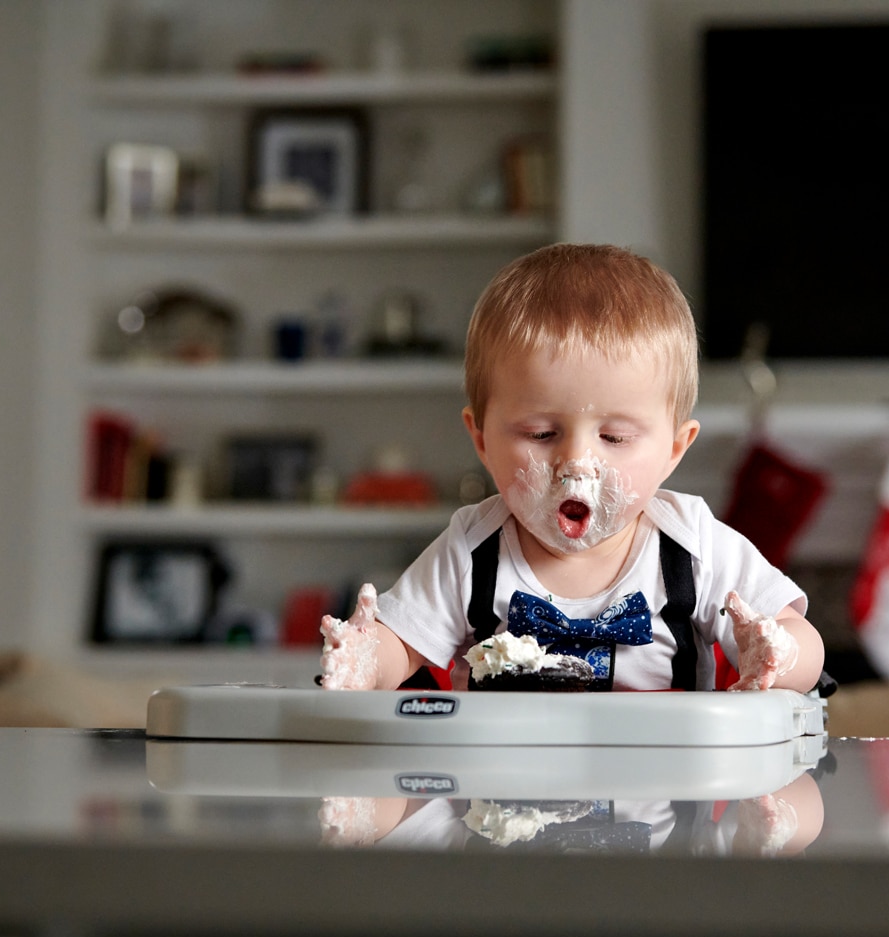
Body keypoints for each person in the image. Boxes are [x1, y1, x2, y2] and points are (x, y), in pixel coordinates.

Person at [320, 243, 824, 693]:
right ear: (481, 439)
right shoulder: (470, 551)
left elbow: (801, 639)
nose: (577, 463)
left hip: (663, 787)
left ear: (675, 448)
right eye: (541, 434)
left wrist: (780, 654)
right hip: (497, 787)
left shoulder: (694, 547)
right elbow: (401, 644)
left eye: (615, 437)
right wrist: (368, 659)